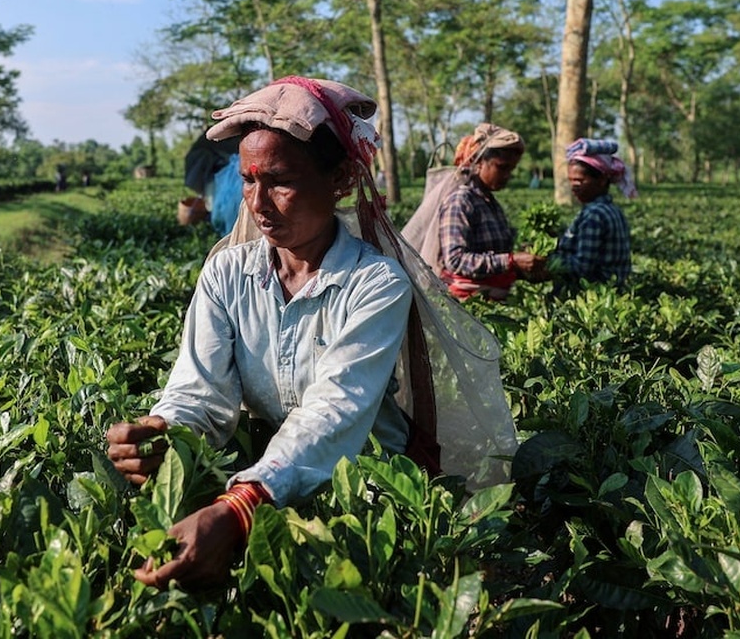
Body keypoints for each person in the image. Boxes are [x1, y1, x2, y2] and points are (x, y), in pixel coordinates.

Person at [106, 77, 417, 590]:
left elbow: (333, 413)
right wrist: (166, 434)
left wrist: (241, 504)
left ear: (339, 179)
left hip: (368, 493)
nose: (258, 202)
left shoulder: (376, 284)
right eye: (249, 180)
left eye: (279, 180)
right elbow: (199, 392)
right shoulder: (227, 274)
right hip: (268, 486)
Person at [433, 124, 547, 300]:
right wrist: (511, 261)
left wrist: (523, 265)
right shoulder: (460, 201)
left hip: (494, 301)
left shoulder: (489, 202)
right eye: (501, 167)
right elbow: (456, 260)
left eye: (511, 169)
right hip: (468, 306)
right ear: (479, 163)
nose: (507, 175)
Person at [549, 139, 634, 287]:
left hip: (596, 294)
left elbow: (582, 267)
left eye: (579, 181)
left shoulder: (594, 215)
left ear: (601, 180)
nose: (574, 187)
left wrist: (546, 260)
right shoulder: (613, 210)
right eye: (571, 181)